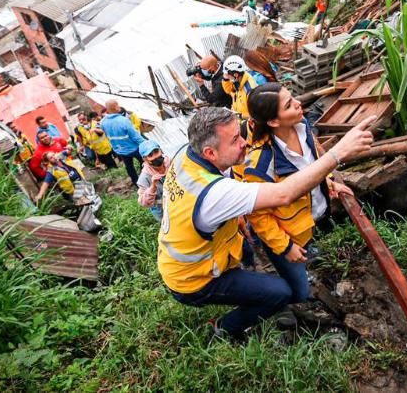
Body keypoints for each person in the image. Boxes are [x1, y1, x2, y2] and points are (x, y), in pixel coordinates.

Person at [158, 107, 374, 341]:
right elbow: (283, 194)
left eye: (241, 134)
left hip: (192, 253)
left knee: (248, 254)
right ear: (210, 153)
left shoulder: (186, 155)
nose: (244, 143)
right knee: (280, 292)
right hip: (194, 279)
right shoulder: (214, 194)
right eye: (235, 140)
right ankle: (225, 329)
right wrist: (337, 154)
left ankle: (253, 286)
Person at [241, 83, 353, 305]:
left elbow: (313, 166)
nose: (299, 104)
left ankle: (307, 251)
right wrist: (286, 247)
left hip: (306, 221)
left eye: (293, 98)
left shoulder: (303, 127)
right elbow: (258, 216)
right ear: (273, 121)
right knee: (298, 286)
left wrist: (329, 182)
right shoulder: (261, 165)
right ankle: (299, 303)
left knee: (307, 248)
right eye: (289, 105)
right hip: (285, 237)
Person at [99, 100, 145, 184]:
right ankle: (146, 179)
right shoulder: (123, 120)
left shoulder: (102, 122)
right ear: (116, 107)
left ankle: (136, 183)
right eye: (118, 105)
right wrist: (145, 144)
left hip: (120, 150)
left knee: (129, 167)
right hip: (133, 148)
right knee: (144, 163)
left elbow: (107, 135)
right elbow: (135, 136)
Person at [136, 140, 168, 222]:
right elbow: (144, 203)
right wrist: (153, 187)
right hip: (163, 210)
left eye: (156, 151)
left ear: (161, 150)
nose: (155, 157)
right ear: (145, 159)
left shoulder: (171, 162)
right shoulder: (144, 178)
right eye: (150, 155)